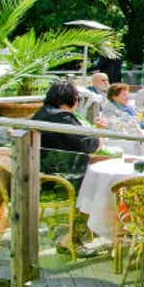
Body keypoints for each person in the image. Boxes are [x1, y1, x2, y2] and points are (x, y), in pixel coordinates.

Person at [32, 80, 107, 257]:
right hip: (62, 179)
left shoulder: (41, 113)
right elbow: (88, 145)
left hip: (44, 173)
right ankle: (72, 239)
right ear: (72, 99)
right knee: (99, 186)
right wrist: (100, 131)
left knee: (101, 171)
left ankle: (86, 231)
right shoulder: (62, 117)